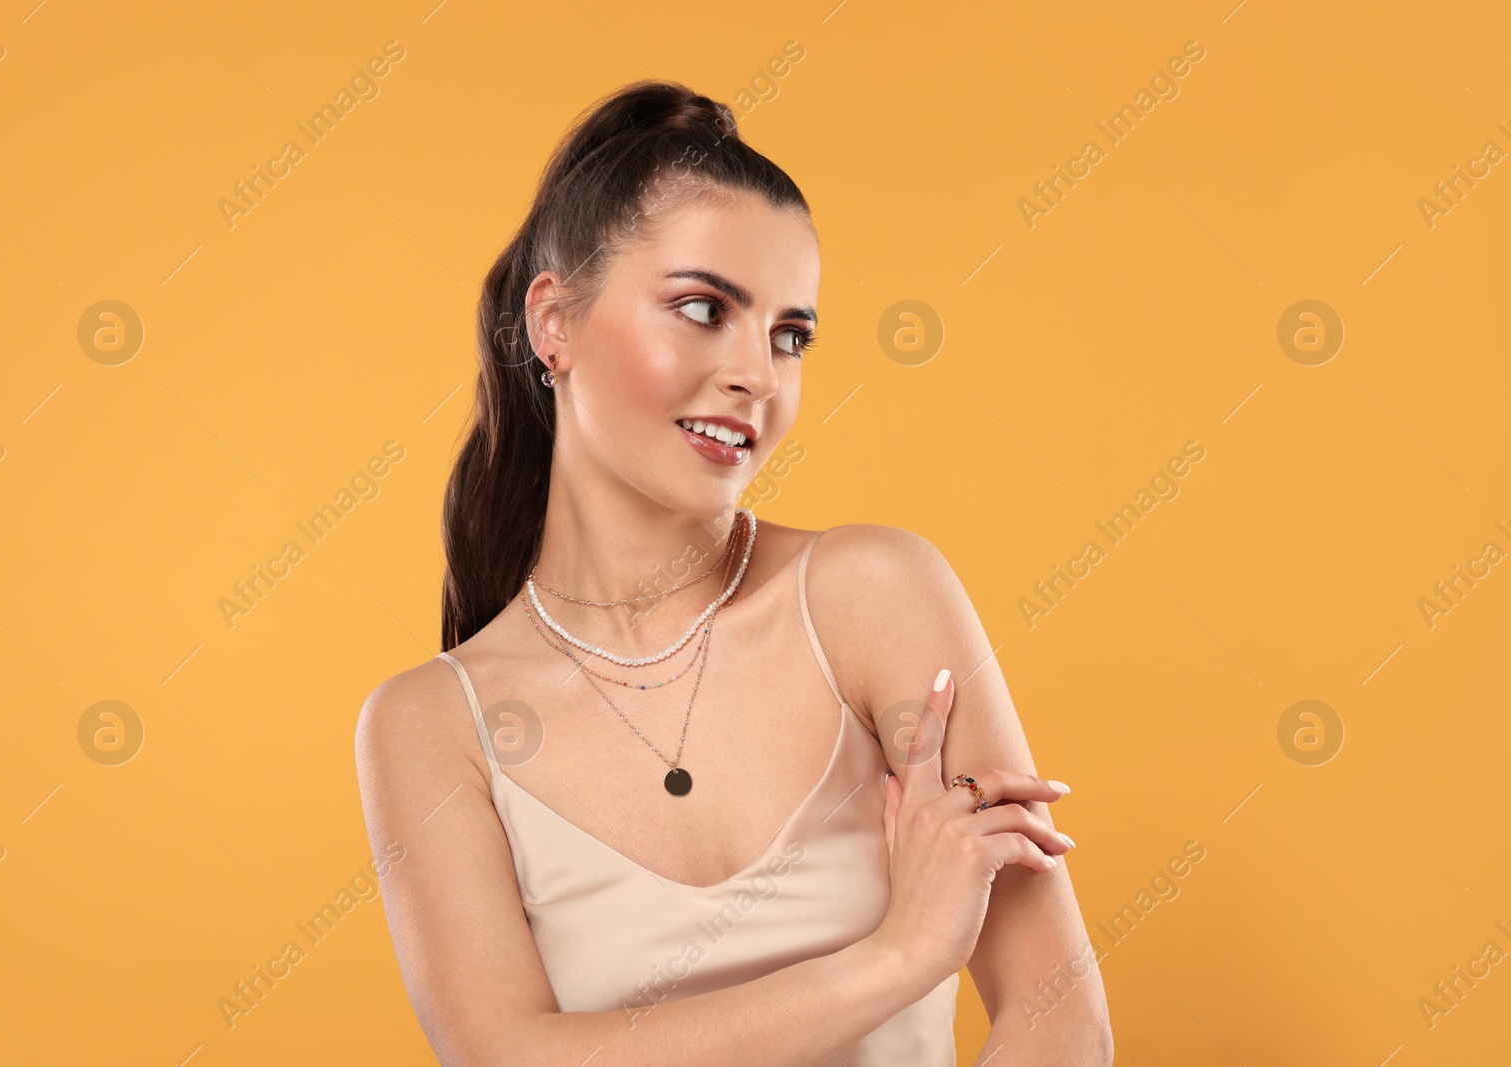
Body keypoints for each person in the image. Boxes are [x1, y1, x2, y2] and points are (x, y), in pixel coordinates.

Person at [354, 79, 1112, 1066]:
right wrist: (898, 956)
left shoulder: (871, 595)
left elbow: (1058, 1015)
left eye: (788, 333)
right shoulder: (429, 726)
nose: (759, 373)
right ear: (555, 322)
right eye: (703, 308)